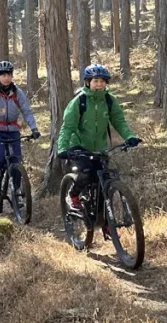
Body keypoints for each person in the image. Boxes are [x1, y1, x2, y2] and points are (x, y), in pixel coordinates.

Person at [56, 64, 141, 212]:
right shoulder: (79, 101)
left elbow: (119, 121)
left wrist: (130, 137)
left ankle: (106, 223)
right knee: (87, 172)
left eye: (102, 81)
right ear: (88, 82)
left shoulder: (109, 100)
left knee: (104, 183)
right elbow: (67, 127)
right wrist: (63, 148)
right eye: (96, 81)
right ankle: (73, 195)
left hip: (99, 147)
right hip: (78, 145)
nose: (99, 84)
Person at [0, 61, 40, 191]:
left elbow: (27, 111)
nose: (6, 78)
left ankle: (16, 192)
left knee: (16, 161)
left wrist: (34, 128)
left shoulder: (18, 93)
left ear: (12, 76)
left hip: (13, 130)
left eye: (8, 75)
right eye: (3, 75)